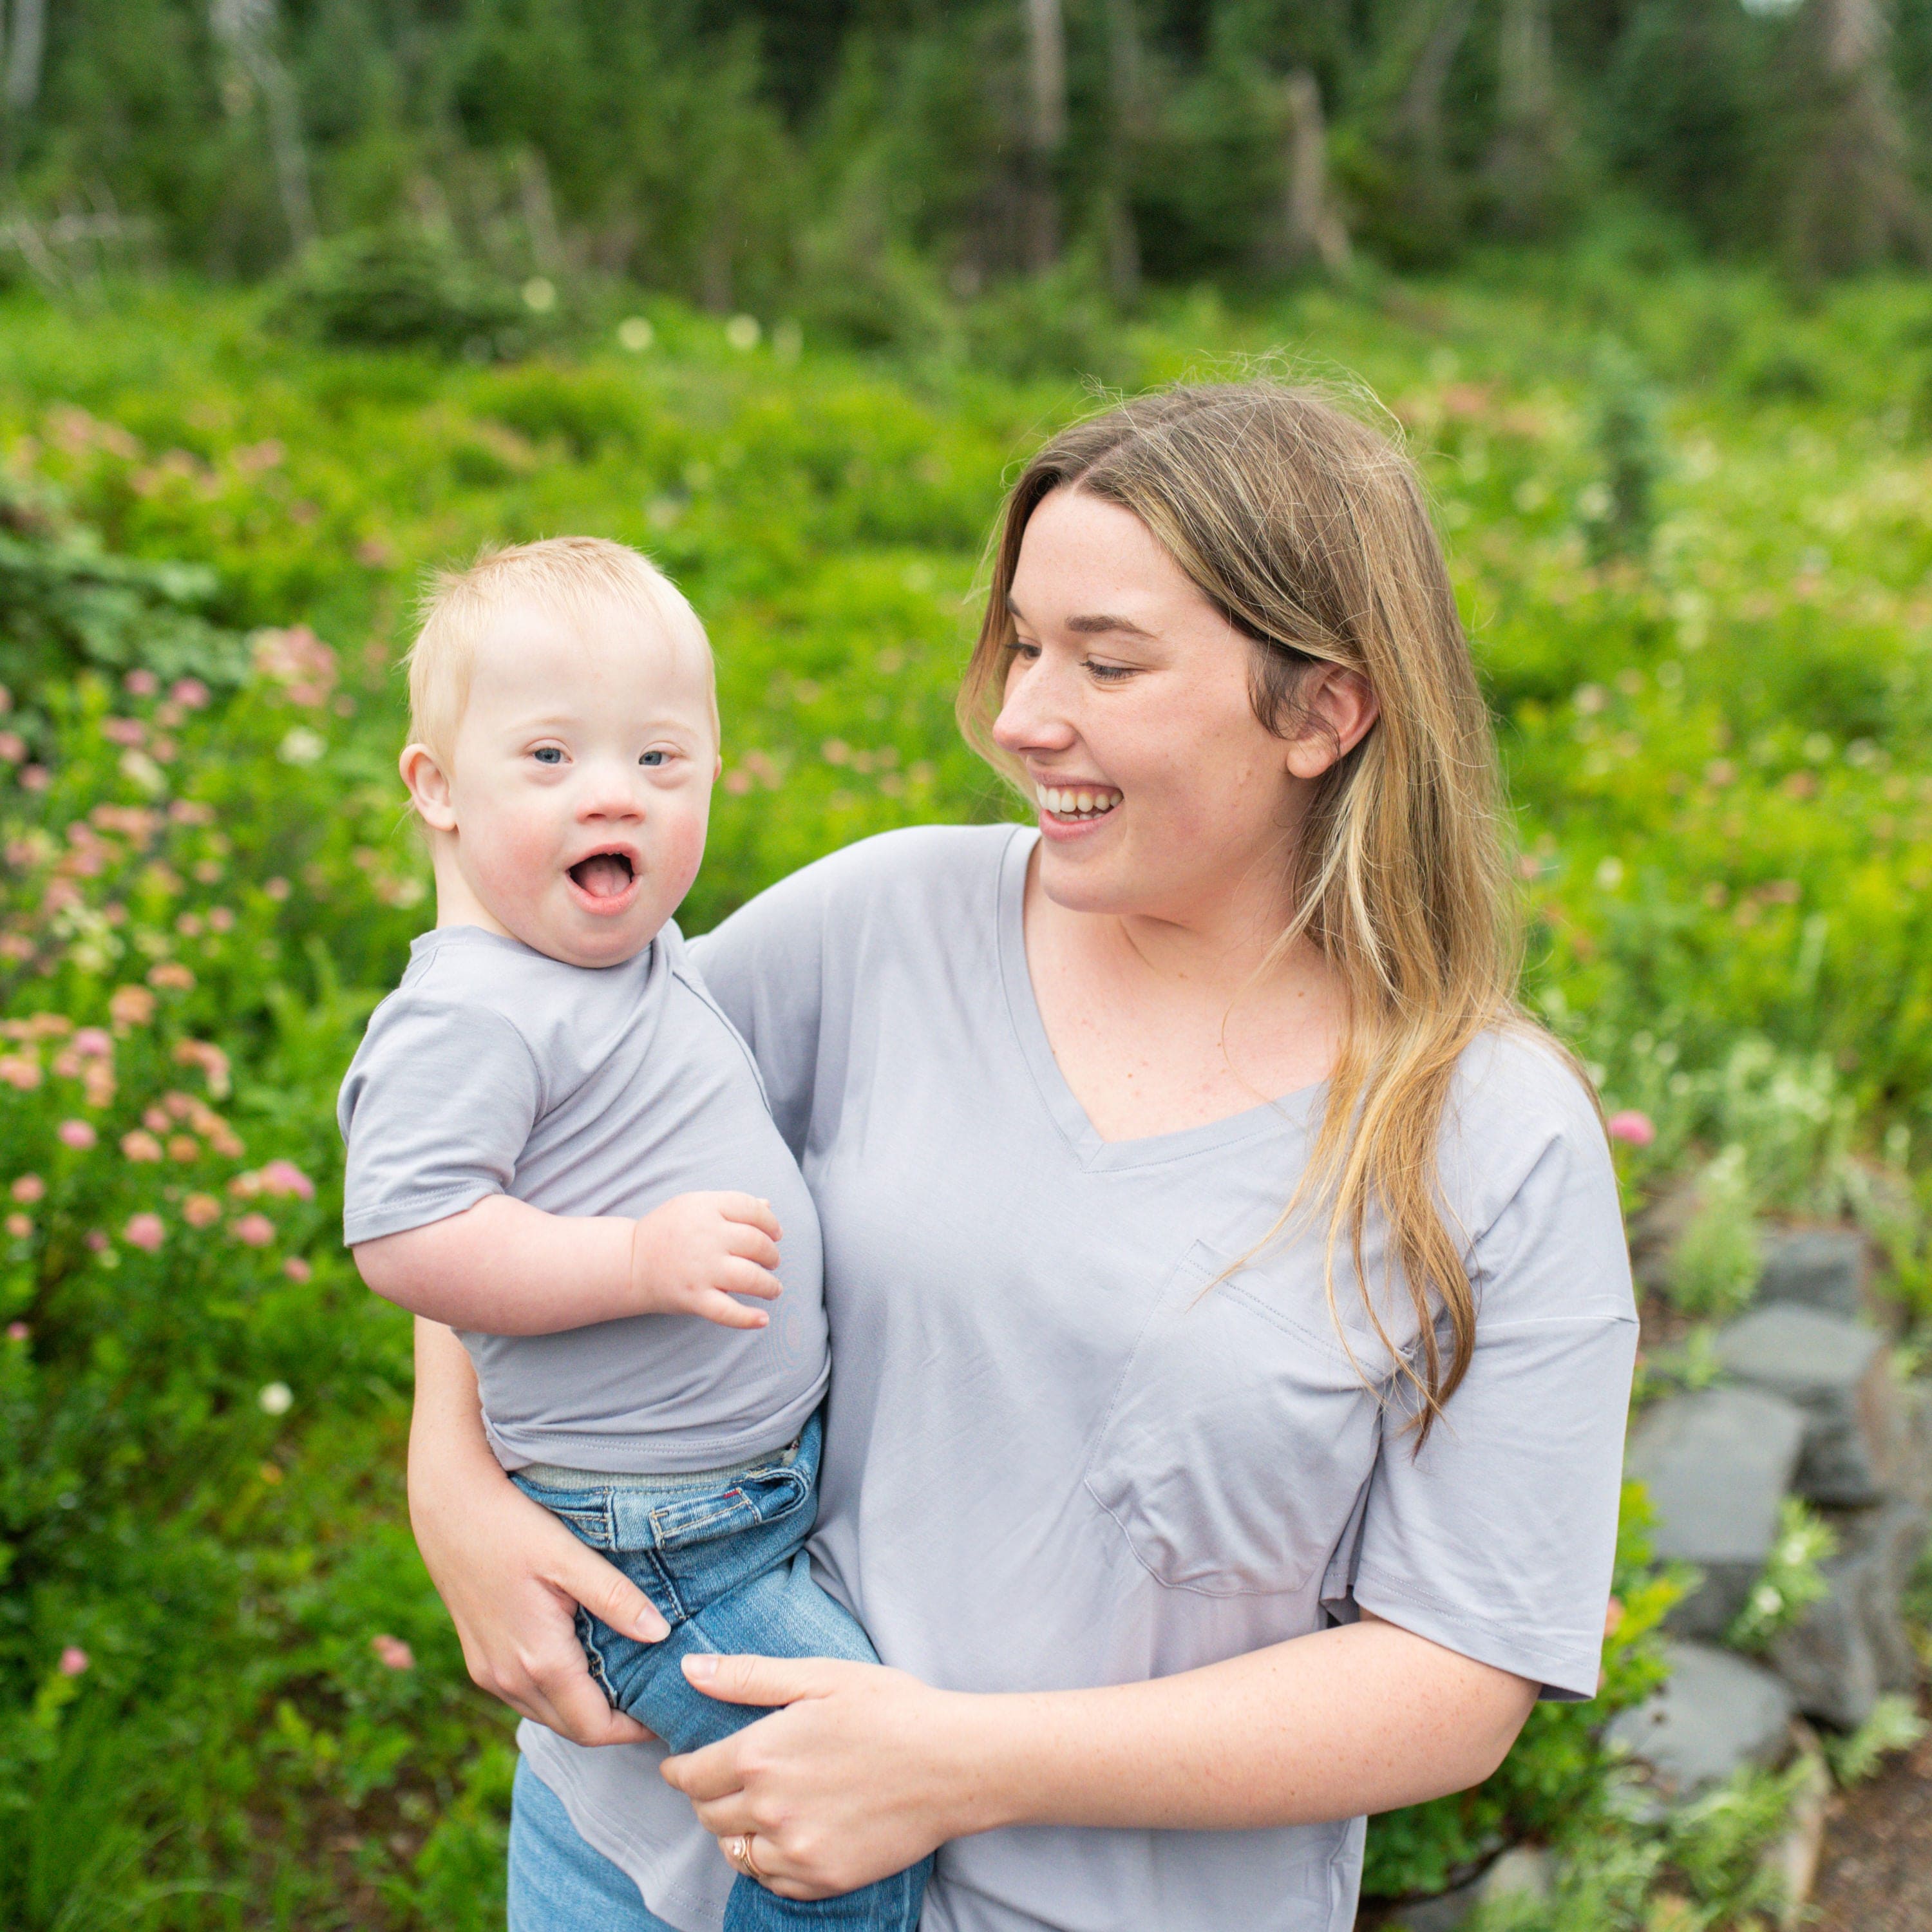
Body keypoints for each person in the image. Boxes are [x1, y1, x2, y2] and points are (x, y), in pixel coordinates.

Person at [406, 384, 1638, 1932]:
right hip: (639, 1867)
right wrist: (448, 1475)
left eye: (1108, 662)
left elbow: (1455, 1682)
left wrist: (963, 1766)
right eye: (1026, 643)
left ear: (1325, 710)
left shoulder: (1498, 1143)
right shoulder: (883, 925)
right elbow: (502, 1151)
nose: (1019, 717)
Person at [338, 537, 929, 1931]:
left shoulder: (634, 956)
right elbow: (409, 1237)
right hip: (664, 1543)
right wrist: (633, 1263)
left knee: (809, 1781)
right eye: (549, 758)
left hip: (736, 1497)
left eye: (661, 762)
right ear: (436, 791)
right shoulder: (473, 1011)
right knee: (840, 1809)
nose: (614, 791)